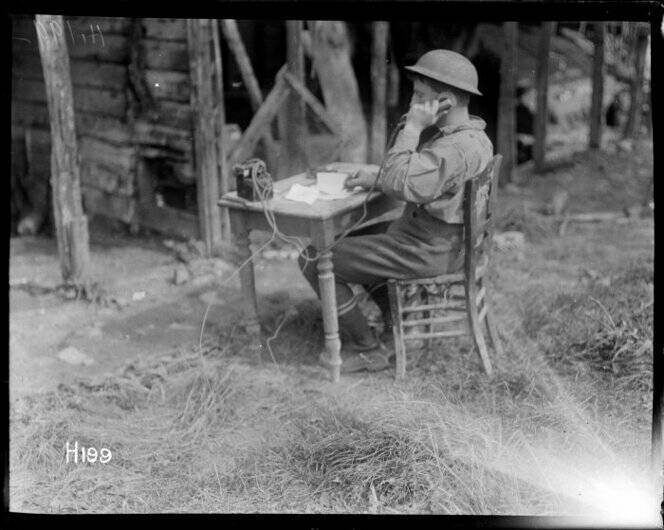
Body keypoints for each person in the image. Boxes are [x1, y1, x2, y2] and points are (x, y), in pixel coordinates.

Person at [298, 49, 493, 373]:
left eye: (419, 96)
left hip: (427, 250)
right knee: (350, 241)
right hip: (443, 244)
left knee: (313, 258)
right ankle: (393, 328)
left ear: (444, 101)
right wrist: (376, 179)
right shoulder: (475, 138)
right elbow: (425, 180)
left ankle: (366, 347)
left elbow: (403, 181)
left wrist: (412, 129)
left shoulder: (453, 148)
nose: (412, 103)